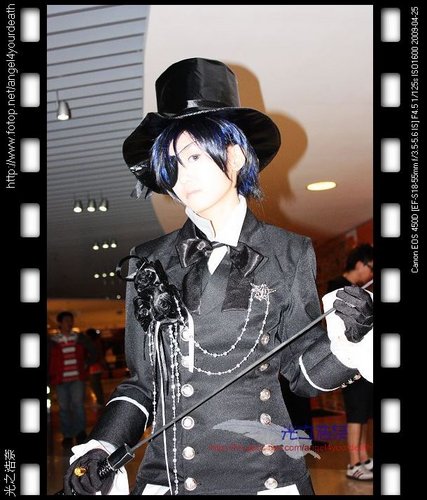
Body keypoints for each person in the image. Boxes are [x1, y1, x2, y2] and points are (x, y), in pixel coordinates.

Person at [64, 58, 373, 495]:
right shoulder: (147, 260)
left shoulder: (289, 251)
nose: (182, 177)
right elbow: (141, 383)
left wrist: (353, 338)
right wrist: (104, 445)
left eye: (194, 155)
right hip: (171, 477)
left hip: (265, 477)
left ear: (235, 155)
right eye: (172, 163)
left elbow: (302, 373)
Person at [327, 244, 374, 481]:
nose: (371, 273)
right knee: (356, 411)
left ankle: (363, 457)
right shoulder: (337, 286)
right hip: (349, 360)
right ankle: (353, 463)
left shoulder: (358, 289)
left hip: (363, 357)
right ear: (359, 264)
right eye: (371, 268)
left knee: (363, 410)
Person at [48, 311, 97, 449]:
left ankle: (80, 432)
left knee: (78, 405)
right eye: (66, 321)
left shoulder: (79, 338)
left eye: (71, 320)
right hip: (61, 379)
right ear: (60, 323)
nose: (69, 323)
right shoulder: (53, 341)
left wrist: (87, 363)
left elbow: (94, 352)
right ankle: (67, 435)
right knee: (64, 408)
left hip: (77, 378)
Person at [86, 328, 108, 407]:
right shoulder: (97, 342)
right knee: (97, 385)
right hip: (97, 366)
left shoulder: (93, 343)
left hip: (94, 366)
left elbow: (96, 355)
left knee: (95, 385)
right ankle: (100, 401)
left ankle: (100, 401)